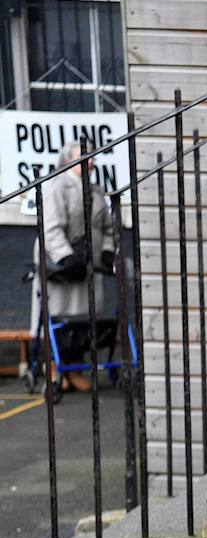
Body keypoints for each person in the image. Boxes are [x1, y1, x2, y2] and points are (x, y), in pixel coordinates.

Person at [29, 140, 117, 390]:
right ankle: (55, 369)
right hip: (61, 267)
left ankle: (74, 369)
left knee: (82, 319)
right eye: (84, 157)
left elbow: (107, 227)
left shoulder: (96, 190)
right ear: (68, 161)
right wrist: (65, 257)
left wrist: (108, 251)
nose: (90, 162)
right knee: (57, 315)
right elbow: (51, 228)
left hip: (88, 264)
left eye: (92, 157)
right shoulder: (57, 186)